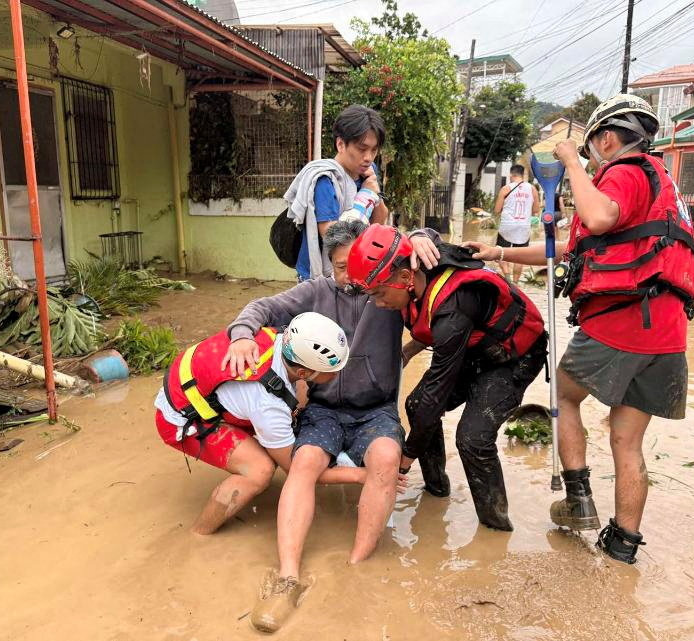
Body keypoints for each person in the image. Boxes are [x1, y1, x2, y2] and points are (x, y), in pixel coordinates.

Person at [463, 94, 694, 564]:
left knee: (564, 394)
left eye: (590, 146)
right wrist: (498, 254)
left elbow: (598, 218)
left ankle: (577, 499)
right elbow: (568, 252)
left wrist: (571, 160)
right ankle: (622, 546)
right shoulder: (658, 186)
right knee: (627, 440)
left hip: (623, 324)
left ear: (606, 139)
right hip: (666, 335)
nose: (588, 155)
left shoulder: (625, 174)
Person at [224, 220, 439, 633]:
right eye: (339, 267)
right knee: (303, 462)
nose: (349, 277)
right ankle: (287, 576)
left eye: (353, 266)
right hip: (322, 410)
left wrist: (422, 238)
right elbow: (262, 308)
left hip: (376, 409)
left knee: (386, 457)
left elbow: (427, 271)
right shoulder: (315, 292)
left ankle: (356, 569)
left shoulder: (385, 288)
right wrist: (241, 335)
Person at [346, 224, 548, 532]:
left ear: (404, 279)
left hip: (513, 357)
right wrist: (412, 349)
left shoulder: (454, 306)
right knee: (415, 405)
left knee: (472, 438)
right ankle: (436, 490)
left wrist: (406, 457)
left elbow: (437, 394)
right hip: (474, 348)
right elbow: (428, 241)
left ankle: (495, 530)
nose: (378, 303)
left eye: (380, 294)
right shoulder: (419, 264)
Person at [154, 312, 362, 537]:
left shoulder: (280, 338)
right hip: (179, 419)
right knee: (260, 470)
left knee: (299, 402)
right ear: (302, 371)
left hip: (195, 389)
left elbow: (296, 392)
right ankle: (200, 533)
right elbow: (297, 470)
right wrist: (360, 475)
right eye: (332, 373)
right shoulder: (267, 404)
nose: (337, 375)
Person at [284, 104, 390, 281]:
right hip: (321, 276)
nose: (368, 157)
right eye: (362, 149)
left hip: (355, 269)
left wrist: (373, 193)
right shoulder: (326, 180)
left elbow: (379, 222)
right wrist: (365, 197)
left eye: (374, 150)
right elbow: (333, 236)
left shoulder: (368, 171)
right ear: (341, 144)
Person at [493, 164, 540, 283]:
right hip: (523, 227)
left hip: (507, 226)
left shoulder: (506, 188)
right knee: (520, 257)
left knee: (501, 253)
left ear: (511, 175)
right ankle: (516, 283)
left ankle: (507, 276)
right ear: (523, 174)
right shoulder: (532, 189)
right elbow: (536, 210)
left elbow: (497, 210)